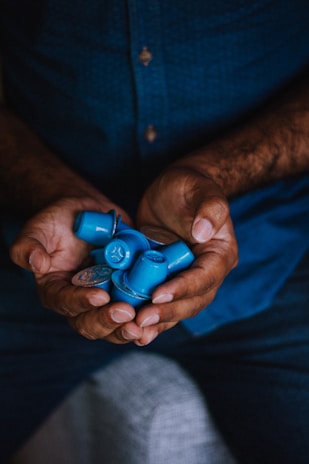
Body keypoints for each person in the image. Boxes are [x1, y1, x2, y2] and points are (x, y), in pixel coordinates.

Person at [0, 1, 308, 462]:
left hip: (273, 258)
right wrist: (48, 187)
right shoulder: (112, 256)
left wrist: (216, 173)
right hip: (38, 260)